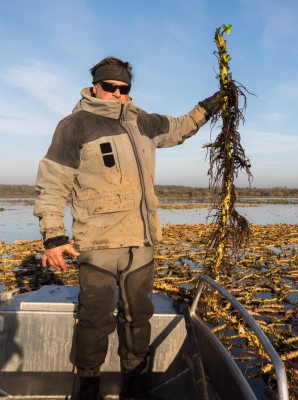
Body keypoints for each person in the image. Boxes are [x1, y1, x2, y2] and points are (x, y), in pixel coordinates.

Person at [33, 56, 223, 400]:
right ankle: (87, 385)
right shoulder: (74, 126)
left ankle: (135, 385)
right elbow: (53, 183)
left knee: (139, 318)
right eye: (110, 87)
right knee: (95, 319)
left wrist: (209, 106)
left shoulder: (143, 122)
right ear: (96, 87)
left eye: (124, 89)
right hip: (98, 245)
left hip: (143, 243)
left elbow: (179, 127)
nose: (117, 94)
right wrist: (53, 236)